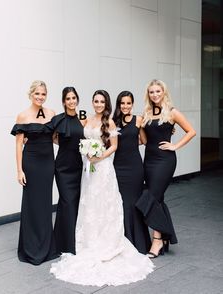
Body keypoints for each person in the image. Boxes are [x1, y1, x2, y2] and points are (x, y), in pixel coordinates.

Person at [50, 90, 154, 286]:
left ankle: (107, 242)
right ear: (92, 102)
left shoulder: (110, 122)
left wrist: (99, 157)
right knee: (89, 203)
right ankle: (88, 240)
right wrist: (36, 137)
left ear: (106, 104)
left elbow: (114, 146)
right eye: (95, 101)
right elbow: (69, 135)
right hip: (88, 170)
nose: (98, 104)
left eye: (101, 102)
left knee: (105, 204)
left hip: (103, 168)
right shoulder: (85, 121)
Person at [136, 79, 196, 258]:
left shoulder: (172, 112)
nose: (155, 95)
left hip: (165, 160)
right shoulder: (146, 113)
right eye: (151, 92)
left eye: (158, 91)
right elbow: (144, 139)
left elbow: (191, 131)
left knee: (151, 198)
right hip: (149, 159)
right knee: (158, 198)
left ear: (164, 92)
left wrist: (175, 146)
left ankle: (157, 240)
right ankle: (163, 237)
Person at [10, 80, 57, 265]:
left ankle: (46, 246)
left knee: (45, 204)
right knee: (31, 204)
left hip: (48, 164)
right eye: (37, 93)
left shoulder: (52, 113)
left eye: (43, 94)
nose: (40, 97)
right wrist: (19, 170)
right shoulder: (22, 116)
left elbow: (55, 138)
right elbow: (18, 144)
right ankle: (31, 248)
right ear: (31, 94)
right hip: (31, 163)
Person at [112, 91, 151, 254]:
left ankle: (139, 242)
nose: (125, 106)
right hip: (118, 166)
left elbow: (145, 140)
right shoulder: (114, 121)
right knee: (121, 203)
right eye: (122, 103)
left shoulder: (138, 120)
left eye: (128, 103)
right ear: (119, 105)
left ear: (132, 104)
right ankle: (123, 240)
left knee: (134, 203)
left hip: (134, 167)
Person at [50, 87, 85, 255]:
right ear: (64, 101)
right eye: (68, 99)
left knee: (76, 202)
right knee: (67, 202)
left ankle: (70, 241)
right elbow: (50, 137)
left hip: (79, 166)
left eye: (74, 98)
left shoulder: (83, 117)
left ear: (77, 100)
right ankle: (66, 244)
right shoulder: (57, 119)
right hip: (63, 167)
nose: (71, 101)